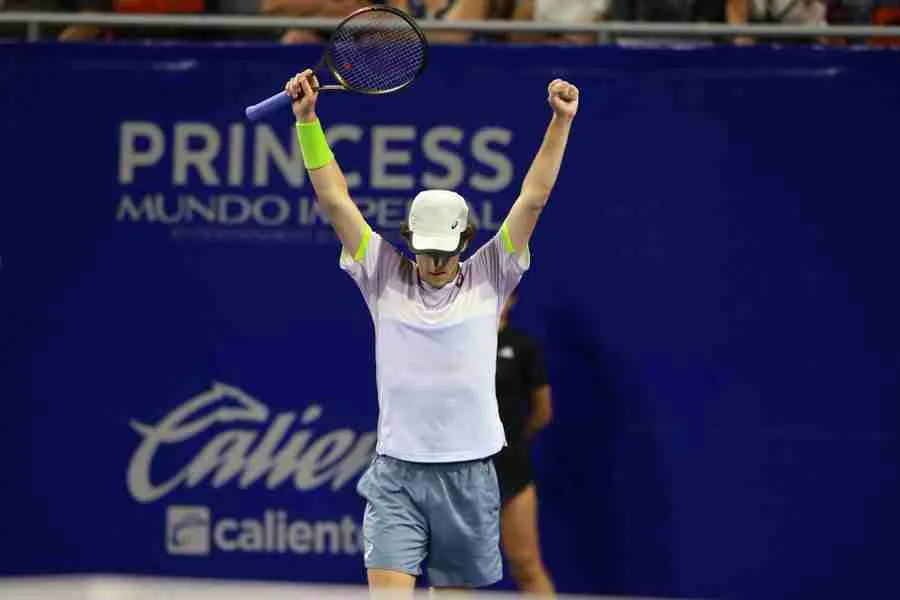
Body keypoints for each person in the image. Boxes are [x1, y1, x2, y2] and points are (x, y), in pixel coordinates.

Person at [284, 68, 578, 593]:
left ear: (466, 240)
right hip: (396, 474)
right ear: (411, 240)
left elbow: (533, 197)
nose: (435, 263)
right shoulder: (380, 273)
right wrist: (307, 120)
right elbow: (334, 200)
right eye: (425, 251)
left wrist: (560, 121)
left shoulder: (493, 274)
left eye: (445, 251)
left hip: (469, 477)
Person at [493, 287, 556, 594]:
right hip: (463, 471)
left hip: (512, 468)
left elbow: (542, 411)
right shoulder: (457, 342)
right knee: (454, 571)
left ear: (513, 300)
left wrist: (515, 440)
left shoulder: (523, 346)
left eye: (503, 294)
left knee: (526, 563)